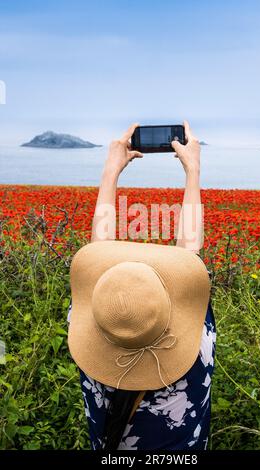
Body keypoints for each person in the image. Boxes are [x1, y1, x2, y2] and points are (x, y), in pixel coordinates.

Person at [67, 121, 216, 450]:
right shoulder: (197, 351)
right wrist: (193, 170)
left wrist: (111, 170)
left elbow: (97, 253)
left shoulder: (87, 337)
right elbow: (190, 255)